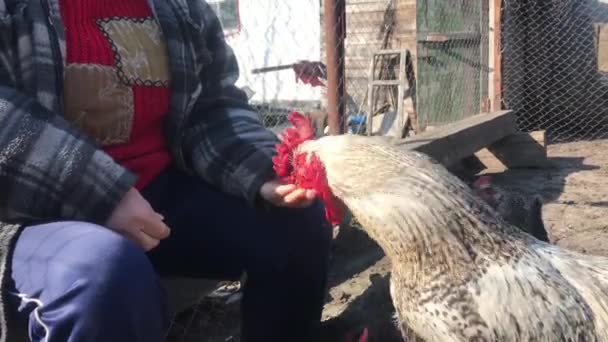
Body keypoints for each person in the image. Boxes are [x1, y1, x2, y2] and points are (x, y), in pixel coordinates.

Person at [0, 0, 333, 341]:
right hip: (34, 214)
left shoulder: (181, 8)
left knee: (296, 225)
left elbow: (209, 108)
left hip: (158, 199)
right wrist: (96, 192)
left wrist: (261, 170)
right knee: (103, 276)